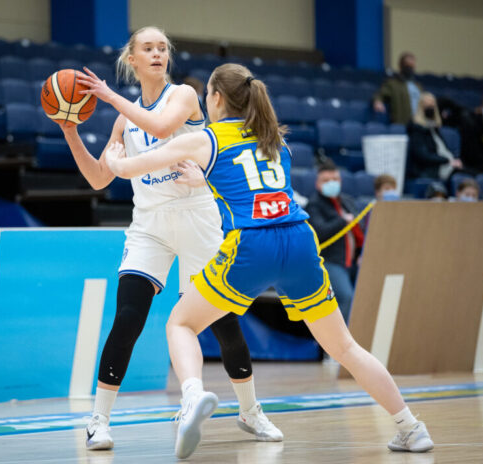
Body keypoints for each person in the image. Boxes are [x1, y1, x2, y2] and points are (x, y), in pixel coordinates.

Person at [104, 63, 434, 459]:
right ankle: (411, 428)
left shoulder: (205, 138)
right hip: (299, 241)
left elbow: (128, 169)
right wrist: (204, 180)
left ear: (216, 98)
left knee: (181, 323)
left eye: (207, 95)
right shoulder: (274, 137)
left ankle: (192, 397)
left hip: (253, 245)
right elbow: (251, 180)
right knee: (345, 346)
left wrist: (115, 155)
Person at [56, 26, 281, 450]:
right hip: (150, 225)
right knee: (128, 316)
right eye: (148, 48)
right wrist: (70, 130)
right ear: (133, 59)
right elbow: (99, 178)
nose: (158, 53)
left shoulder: (183, 96)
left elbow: (160, 128)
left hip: (197, 218)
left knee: (224, 321)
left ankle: (250, 412)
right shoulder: (124, 120)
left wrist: (108, 96)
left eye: (163, 48)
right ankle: (98, 421)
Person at [305, 159, 364, 323]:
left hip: (352, 262)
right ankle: (337, 339)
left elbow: (359, 229)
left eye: (335, 179)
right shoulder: (314, 205)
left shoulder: (347, 201)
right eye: (326, 180)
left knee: (360, 300)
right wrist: (342, 221)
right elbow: (319, 233)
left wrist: (362, 253)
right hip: (329, 261)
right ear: (317, 184)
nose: (332, 183)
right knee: (345, 297)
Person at [406, 92, 463, 180]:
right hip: (428, 169)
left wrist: (452, 160)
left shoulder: (434, 127)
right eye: (427, 105)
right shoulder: (416, 128)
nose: (430, 108)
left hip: (443, 165)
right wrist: (447, 160)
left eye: (432, 105)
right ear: (420, 107)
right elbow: (423, 155)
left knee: (470, 174)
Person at [372, 52, 423, 125]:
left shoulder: (418, 86)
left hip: (419, 124)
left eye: (411, 66)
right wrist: (377, 101)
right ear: (401, 66)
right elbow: (380, 94)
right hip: (402, 124)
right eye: (407, 65)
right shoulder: (393, 84)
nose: (409, 68)